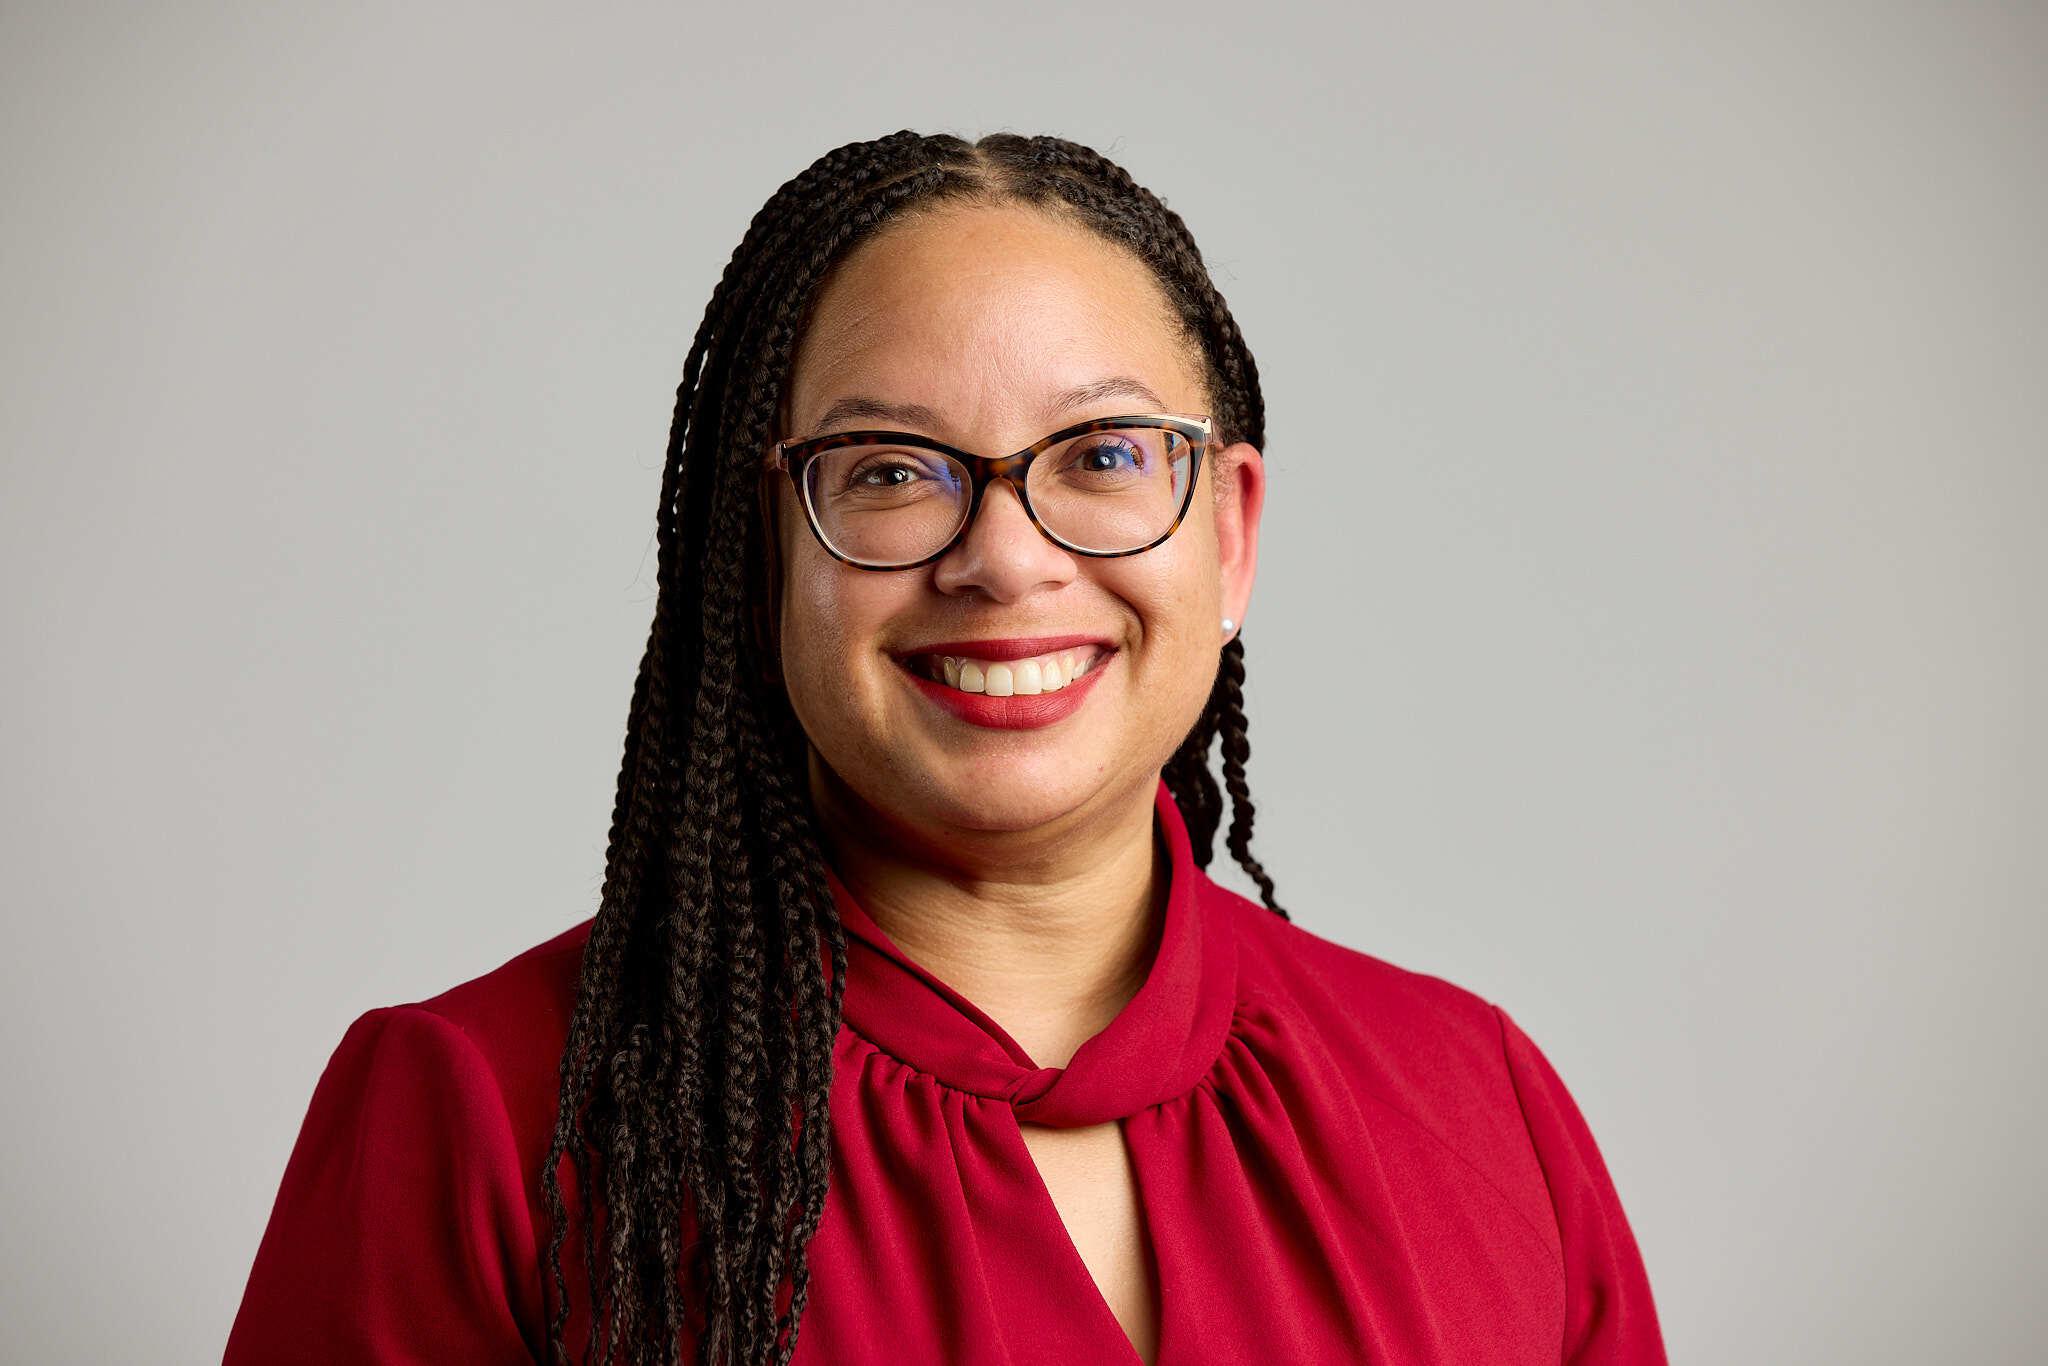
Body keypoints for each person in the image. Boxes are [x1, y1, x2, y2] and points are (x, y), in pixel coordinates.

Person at [223, 130, 1668, 1366]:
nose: (1004, 558)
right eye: (892, 472)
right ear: (760, 554)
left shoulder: (1478, 1103)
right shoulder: (483, 1120)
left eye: (1103, 455)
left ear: (1230, 536)